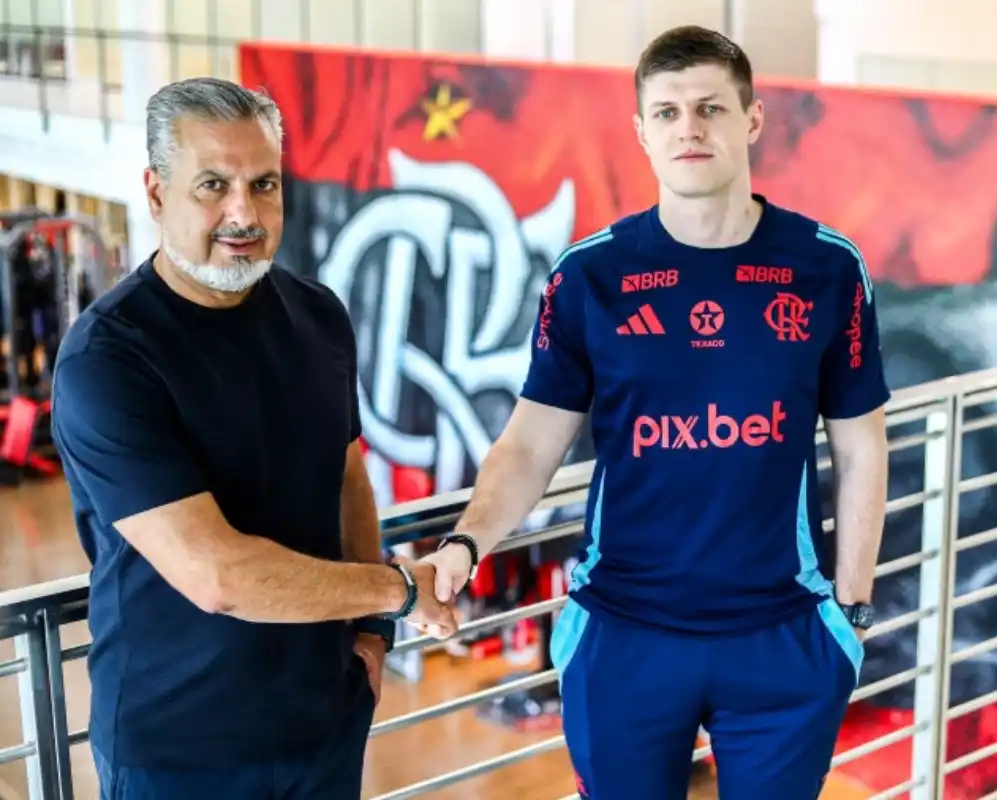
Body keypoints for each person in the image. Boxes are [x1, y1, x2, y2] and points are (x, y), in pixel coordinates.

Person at [420, 25, 890, 800]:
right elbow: (531, 443)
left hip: (785, 632)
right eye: (666, 113)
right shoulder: (589, 276)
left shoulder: (825, 267)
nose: (689, 128)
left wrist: (851, 612)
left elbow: (861, 447)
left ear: (751, 119)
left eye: (709, 107)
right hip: (623, 629)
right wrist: (466, 543)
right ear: (641, 132)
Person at [49, 77, 457, 800]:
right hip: (180, 749)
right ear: (155, 194)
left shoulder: (318, 314)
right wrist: (394, 591)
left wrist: (370, 633)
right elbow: (219, 575)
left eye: (263, 184)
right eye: (213, 184)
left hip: (321, 721)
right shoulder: (108, 358)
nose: (243, 212)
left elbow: (346, 478)